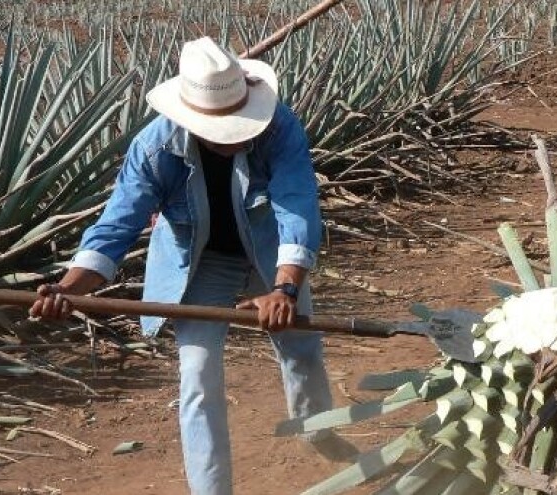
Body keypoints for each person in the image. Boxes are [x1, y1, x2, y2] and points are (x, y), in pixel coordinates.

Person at [29, 36, 356, 494]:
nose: (235, 132)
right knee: (199, 376)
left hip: (270, 253)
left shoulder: (279, 128)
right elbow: (115, 228)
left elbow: (296, 206)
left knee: (301, 349)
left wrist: (283, 289)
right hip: (200, 263)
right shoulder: (154, 149)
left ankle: (316, 430)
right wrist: (68, 289)